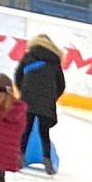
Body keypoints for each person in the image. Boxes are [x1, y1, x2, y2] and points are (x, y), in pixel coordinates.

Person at [15, 34, 65, 174]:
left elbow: (18, 77)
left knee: (25, 130)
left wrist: (24, 91)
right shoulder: (55, 61)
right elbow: (61, 85)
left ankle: (20, 158)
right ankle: (47, 160)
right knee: (44, 133)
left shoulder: (29, 57)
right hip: (47, 102)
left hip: (28, 99)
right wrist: (51, 97)